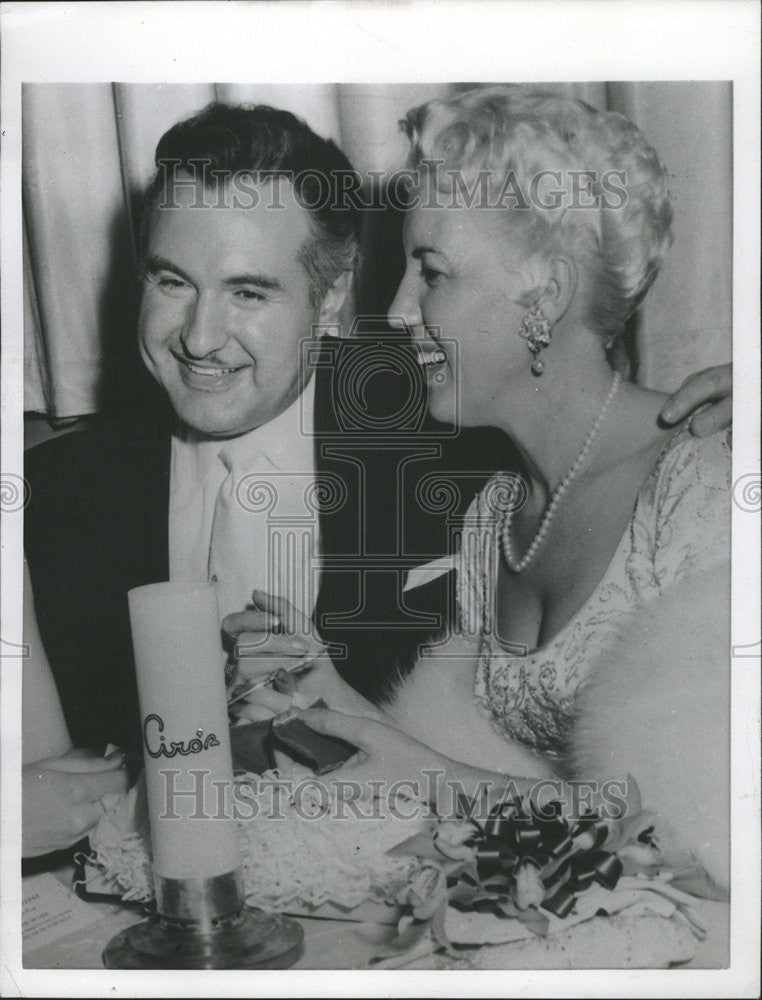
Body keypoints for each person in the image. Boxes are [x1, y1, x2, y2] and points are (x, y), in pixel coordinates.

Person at [23, 97, 731, 857]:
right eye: (171, 281)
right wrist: (330, 700)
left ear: (328, 298)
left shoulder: (455, 448)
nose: (200, 336)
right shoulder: (52, 495)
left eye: (250, 291)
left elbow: (706, 819)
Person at [238, 87, 732, 891]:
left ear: (546, 296)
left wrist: (431, 779)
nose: (396, 312)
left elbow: (709, 840)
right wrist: (325, 694)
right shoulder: (493, 514)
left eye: (430, 272)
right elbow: (478, 759)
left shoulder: (705, 489)